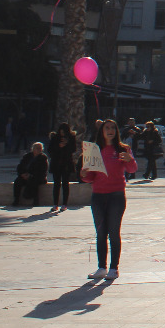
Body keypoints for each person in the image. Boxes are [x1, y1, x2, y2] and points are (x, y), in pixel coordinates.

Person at [81, 120, 138, 280]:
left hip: (116, 196)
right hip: (98, 195)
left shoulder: (123, 149)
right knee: (101, 233)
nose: (110, 130)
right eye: (107, 128)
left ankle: (114, 268)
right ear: (102, 131)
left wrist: (129, 159)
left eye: (113, 127)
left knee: (113, 232)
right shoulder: (94, 150)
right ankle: (101, 267)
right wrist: (84, 174)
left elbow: (133, 169)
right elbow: (90, 177)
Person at [46, 124, 78, 211]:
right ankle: (55, 204)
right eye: (61, 131)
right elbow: (50, 150)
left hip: (66, 164)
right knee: (56, 184)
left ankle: (64, 204)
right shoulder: (55, 138)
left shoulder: (71, 138)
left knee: (65, 184)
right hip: (56, 164)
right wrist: (58, 146)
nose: (62, 133)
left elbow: (73, 149)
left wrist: (67, 144)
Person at [13, 142, 49, 207]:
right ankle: (16, 199)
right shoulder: (27, 156)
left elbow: (43, 171)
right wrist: (22, 174)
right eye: (37, 148)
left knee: (33, 181)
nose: (38, 150)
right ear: (33, 149)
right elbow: (20, 166)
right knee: (17, 181)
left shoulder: (43, 157)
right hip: (26, 175)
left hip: (38, 176)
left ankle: (35, 200)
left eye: (40, 148)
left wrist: (31, 175)